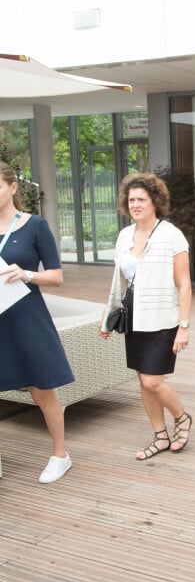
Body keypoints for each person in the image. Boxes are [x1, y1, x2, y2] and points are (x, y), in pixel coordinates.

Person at [100, 173, 192, 460]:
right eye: (131, 200)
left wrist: (184, 327)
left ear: (155, 201)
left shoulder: (171, 235)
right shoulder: (124, 235)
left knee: (153, 381)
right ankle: (160, 436)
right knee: (143, 381)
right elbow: (120, 282)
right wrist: (108, 315)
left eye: (141, 199)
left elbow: (184, 284)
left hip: (163, 319)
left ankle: (181, 417)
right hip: (134, 318)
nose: (136, 204)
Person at [0, 162, 74, 483]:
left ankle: (60, 455)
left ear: (13, 187)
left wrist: (26, 274)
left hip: (27, 317)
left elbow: (57, 276)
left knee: (41, 390)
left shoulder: (35, 226)